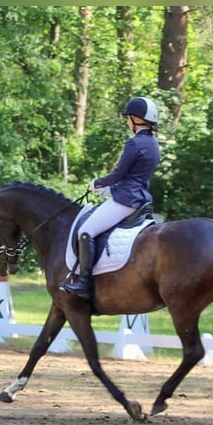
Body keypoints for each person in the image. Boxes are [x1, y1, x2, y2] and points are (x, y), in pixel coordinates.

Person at [61, 96, 161, 299]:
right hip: (140, 197)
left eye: (128, 118)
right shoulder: (153, 144)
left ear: (135, 118)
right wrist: (111, 189)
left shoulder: (134, 143)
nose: (127, 122)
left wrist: (97, 183)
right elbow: (135, 176)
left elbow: (118, 173)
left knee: (86, 231)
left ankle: (84, 282)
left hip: (126, 199)